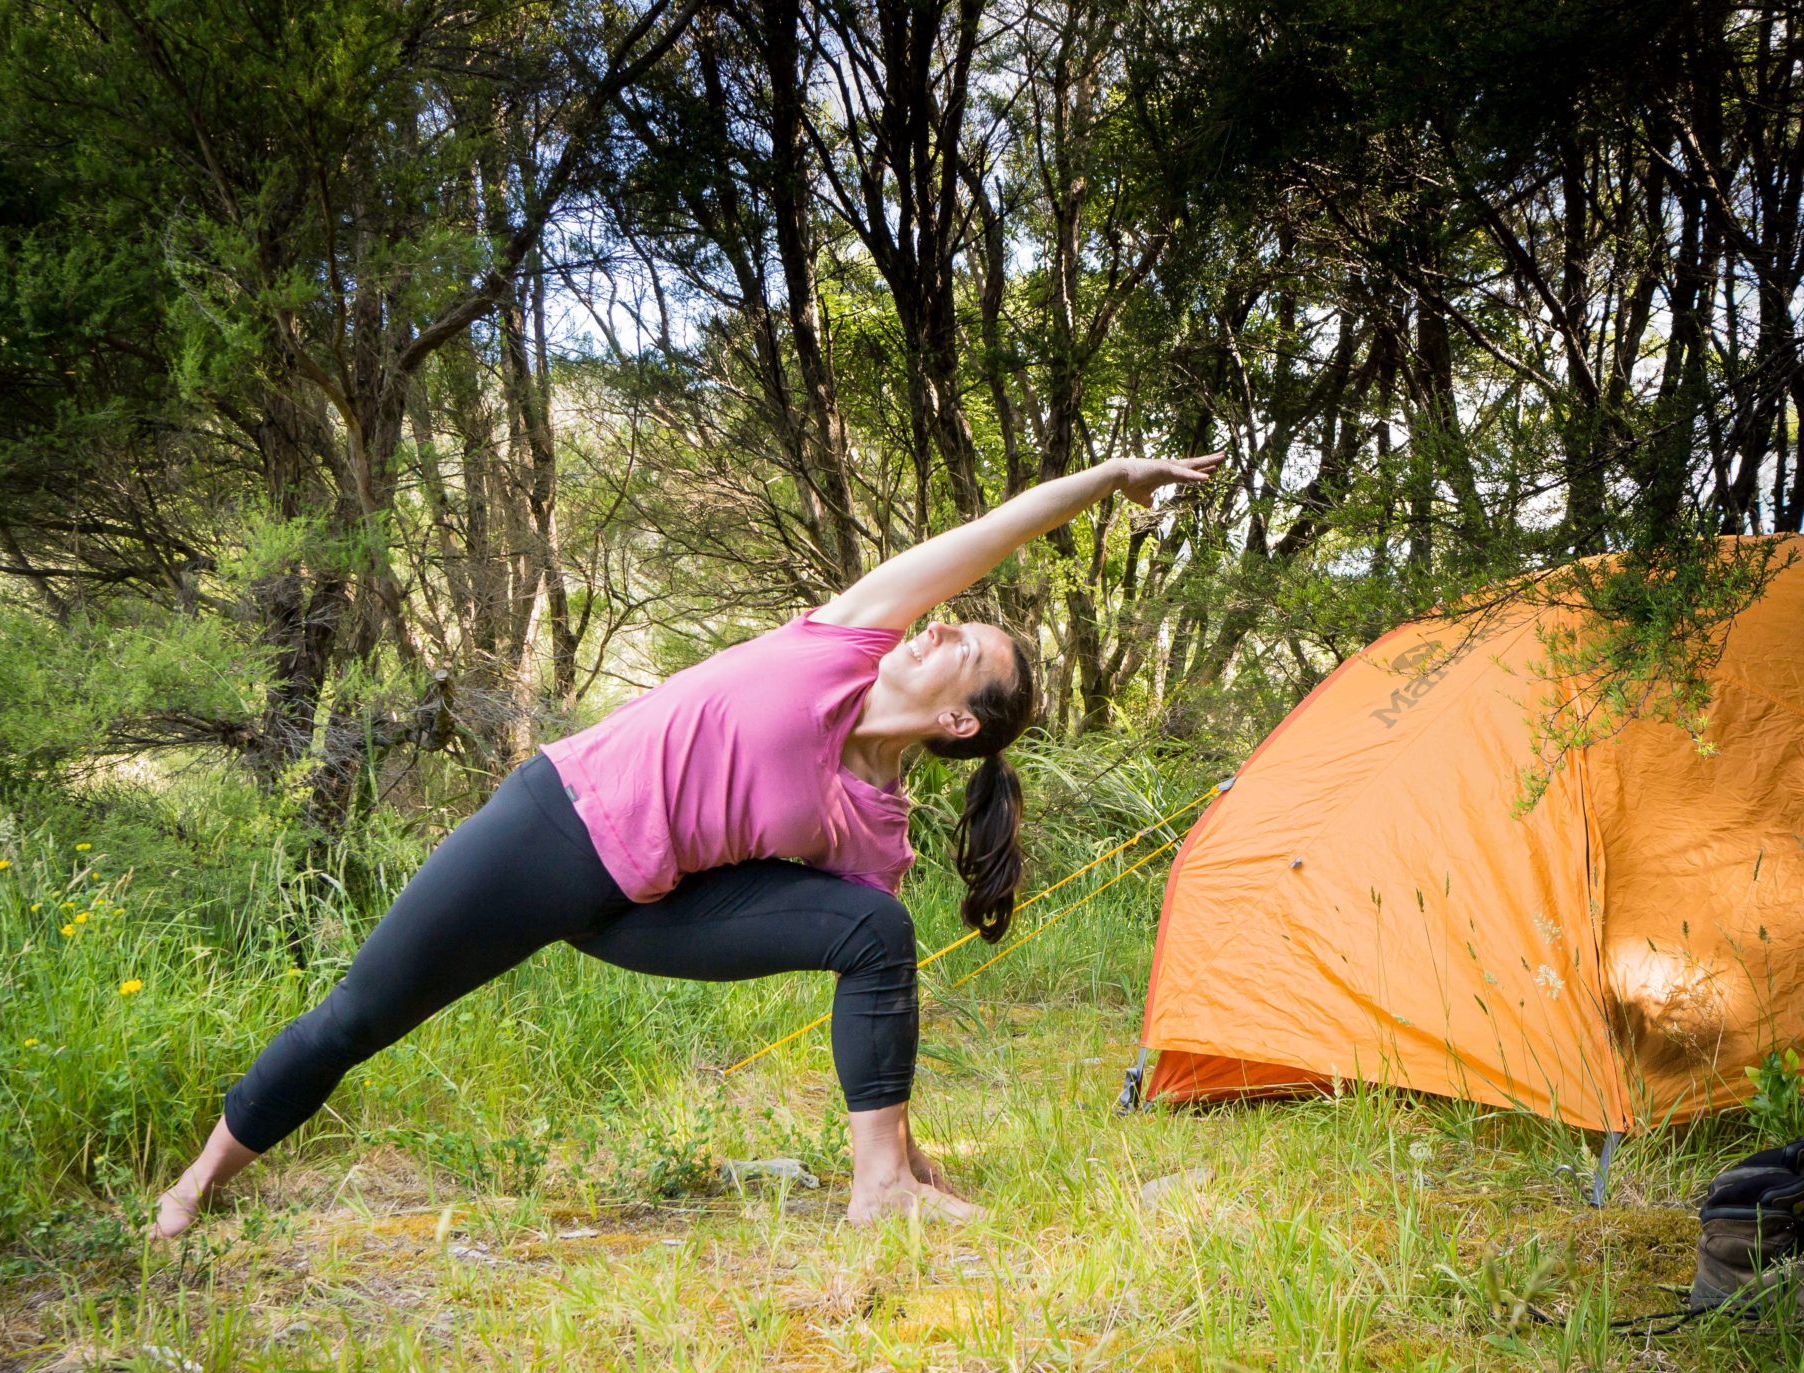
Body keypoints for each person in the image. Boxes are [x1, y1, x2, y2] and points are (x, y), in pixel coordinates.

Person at [151, 453, 1222, 1237]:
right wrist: (1109, 477)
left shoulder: (874, 822)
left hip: (646, 912)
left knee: (877, 929)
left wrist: (907, 1146)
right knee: (360, 1015)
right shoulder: (840, 644)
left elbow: (876, 983)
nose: (944, 627)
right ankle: (196, 1187)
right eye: (954, 618)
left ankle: (878, 1189)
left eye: (967, 646)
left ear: (959, 724)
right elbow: (986, 534)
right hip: (552, 831)